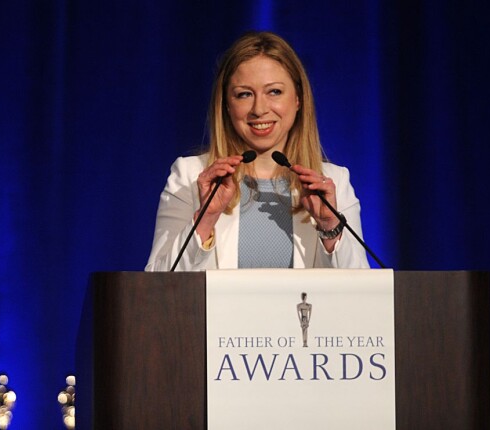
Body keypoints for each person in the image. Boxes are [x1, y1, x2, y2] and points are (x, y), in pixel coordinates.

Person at [145, 31, 370, 271]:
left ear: (298, 99)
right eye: (244, 94)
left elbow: (362, 295)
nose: (259, 109)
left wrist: (330, 227)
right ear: (227, 106)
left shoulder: (332, 182)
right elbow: (159, 288)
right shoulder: (189, 177)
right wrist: (205, 219)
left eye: (274, 92)